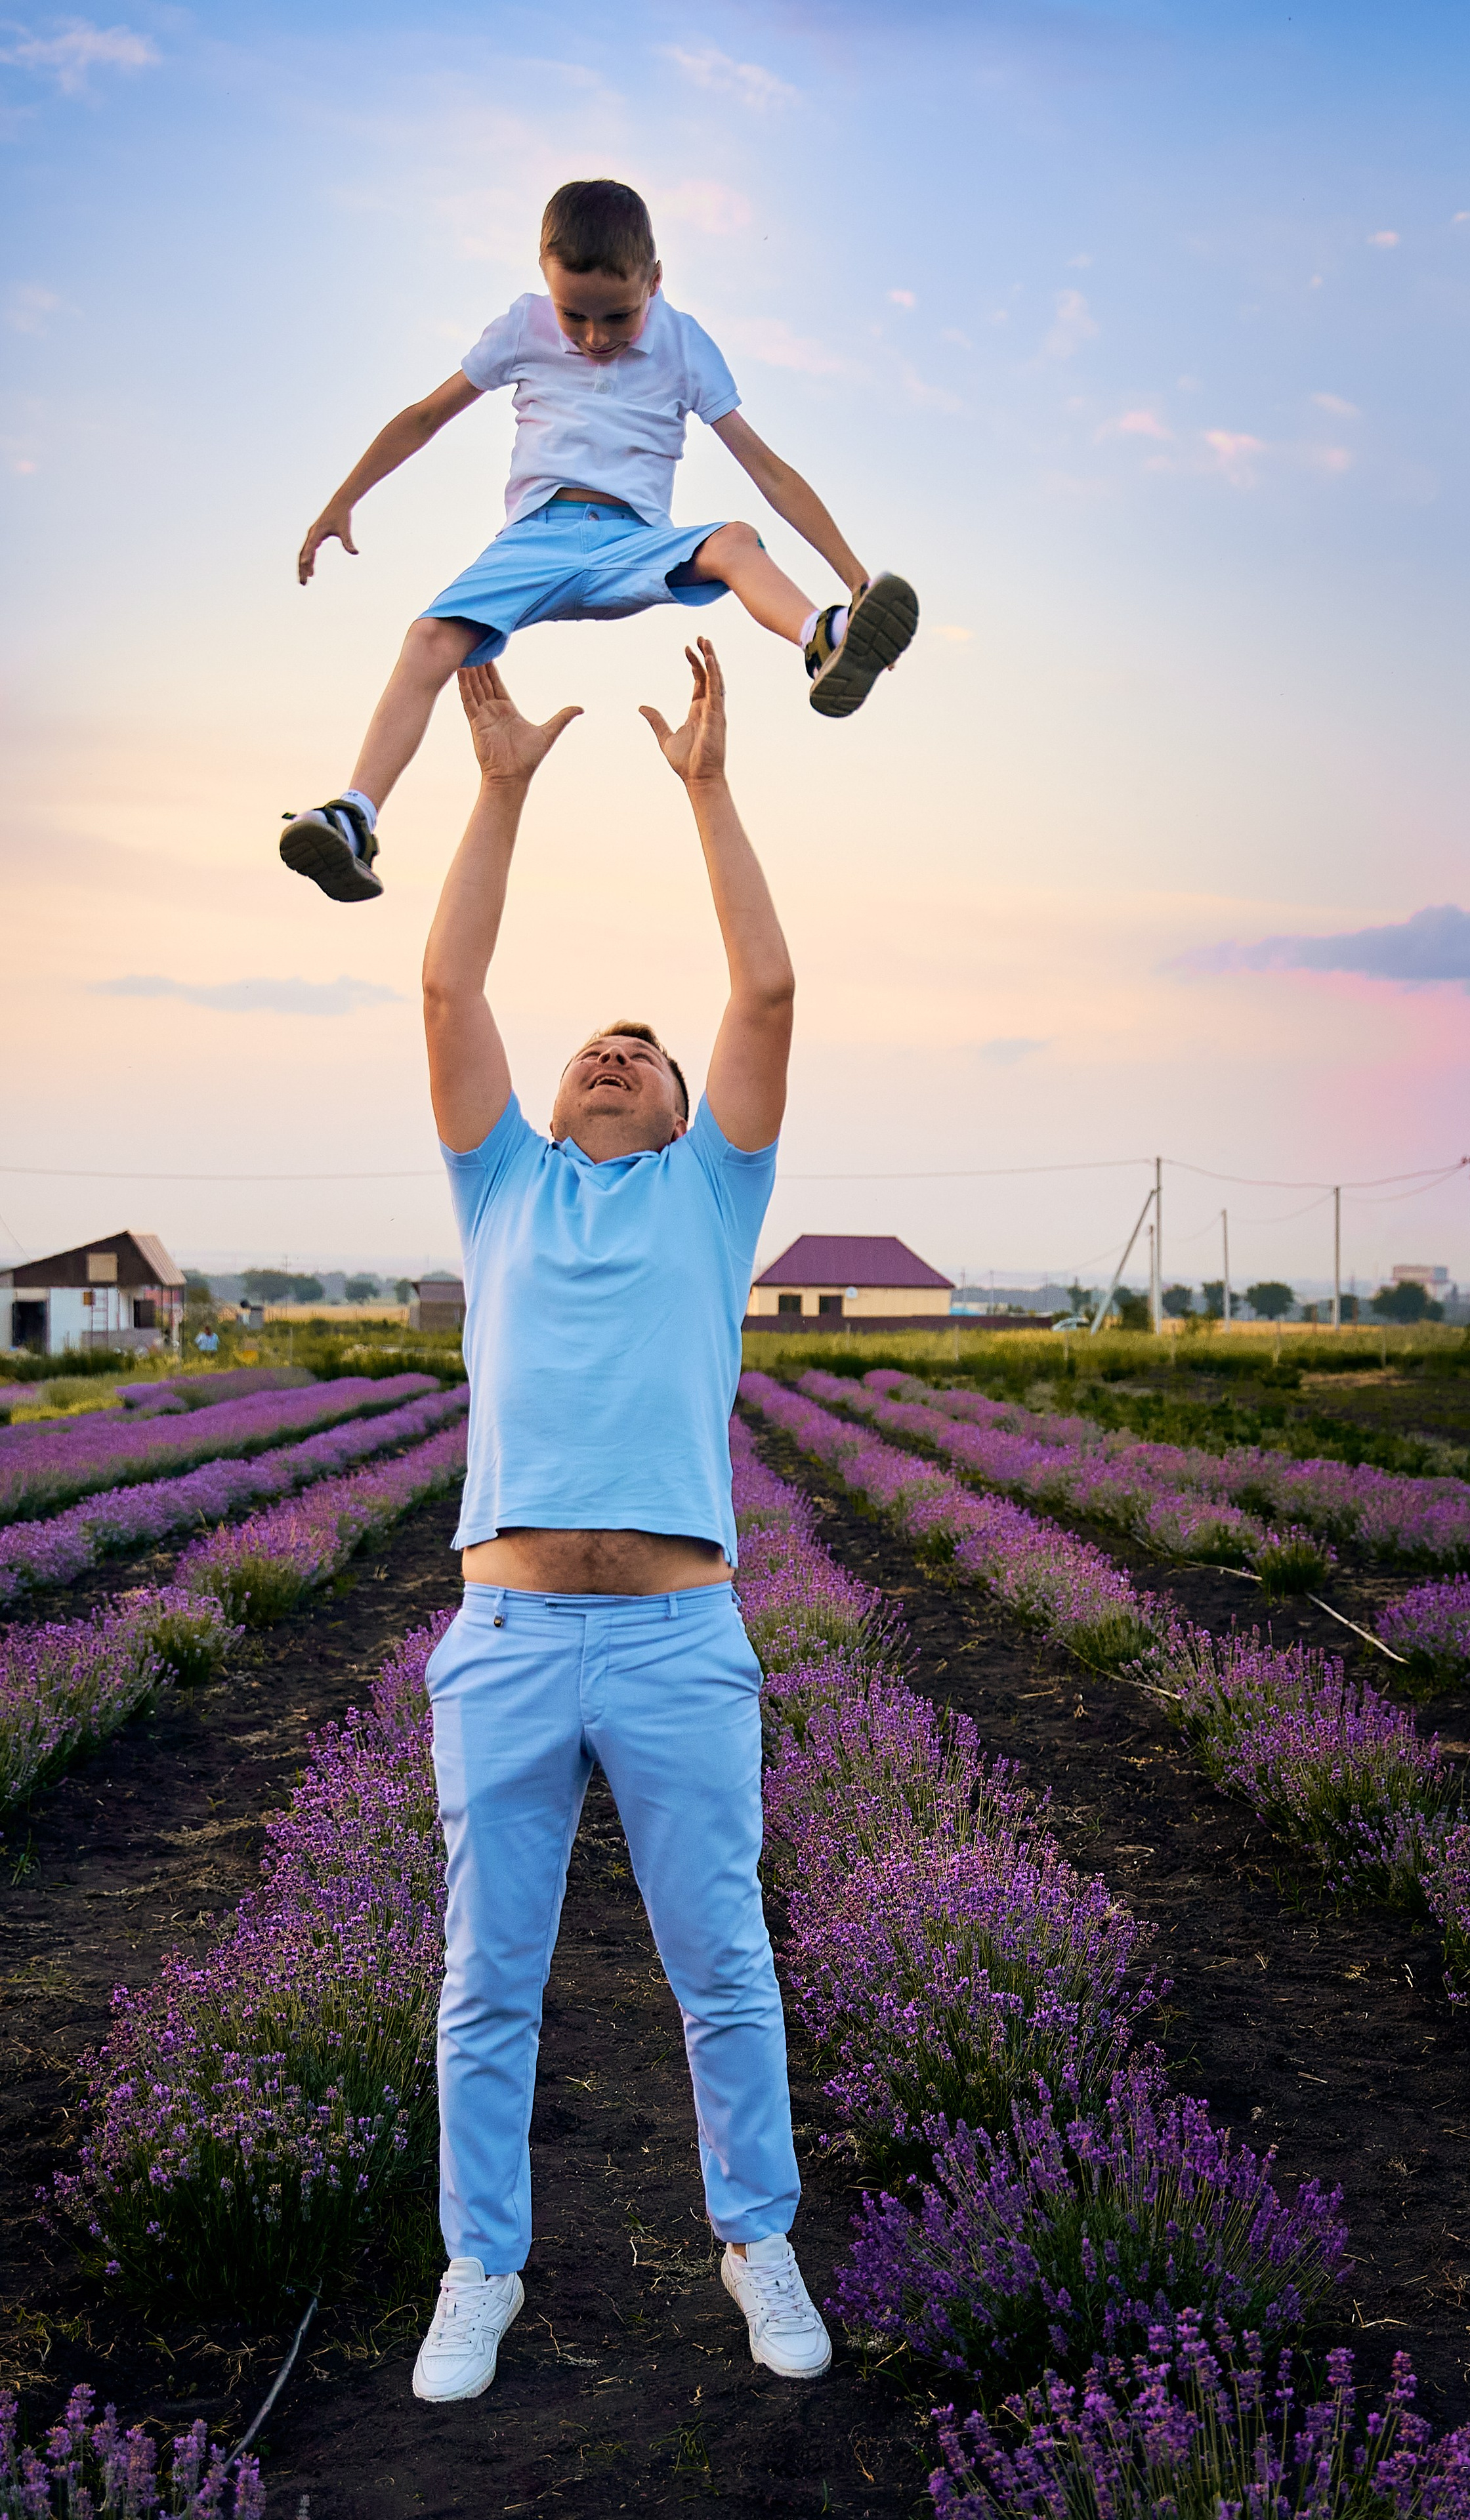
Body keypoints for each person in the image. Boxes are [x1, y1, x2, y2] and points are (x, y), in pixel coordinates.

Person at [410, 636, 829, 2406]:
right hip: (506, 1641)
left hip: (673, 1641)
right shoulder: (499, 1180)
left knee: (721, 1968)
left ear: (677, 1119)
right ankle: (480, 2270)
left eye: (644, 1055)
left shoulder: (710, 1201)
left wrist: (708, 788)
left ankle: (756, 2241)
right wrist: (495, 791)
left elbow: (771, 996)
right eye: (599, 1041)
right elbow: (445, 993)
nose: (619, 1052)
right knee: (487, 1986)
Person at [281, 176, 917, 904]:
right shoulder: (520, 326)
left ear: (654, 280)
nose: (592, 339)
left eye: (616, 317)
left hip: (633, 542)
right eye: (572, 316)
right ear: (544, 285)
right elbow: (426, 417)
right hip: (532, 542)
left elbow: (767, 471)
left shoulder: (684, 342)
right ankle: (354, 817)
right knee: (427, 639)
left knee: (737, 538)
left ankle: (827, 634)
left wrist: (856, 579)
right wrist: (342, 500)